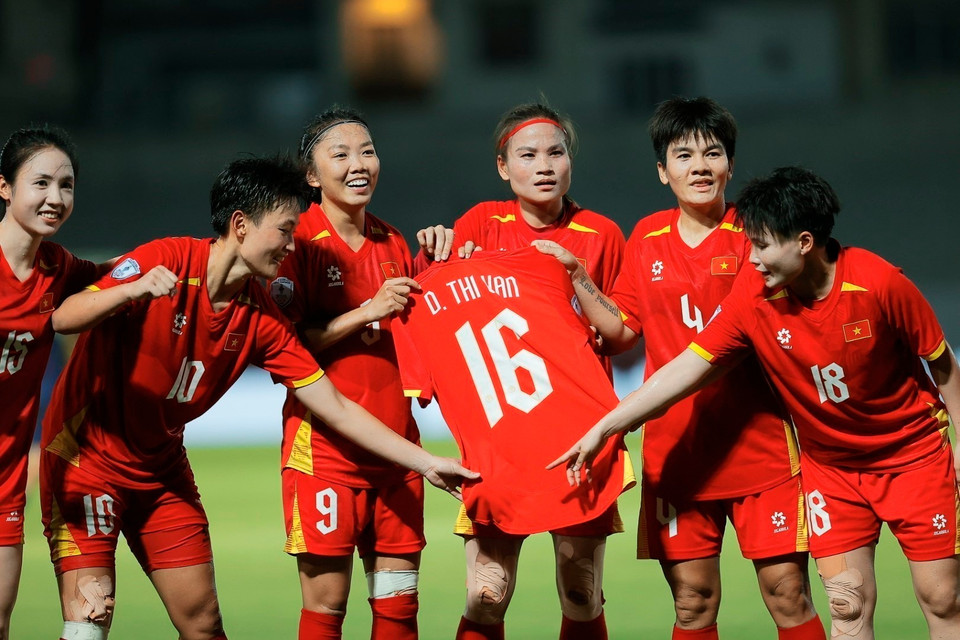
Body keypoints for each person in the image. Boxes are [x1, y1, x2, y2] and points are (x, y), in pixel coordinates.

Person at [39, 155, 476, 640]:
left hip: (161, 471)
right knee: (89, 621)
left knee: (204, 624)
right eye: (286, 230)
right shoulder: (166, 260)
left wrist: (425, 463)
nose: (292, 246)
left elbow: (333, 404)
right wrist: (131, 291)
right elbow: (63, 317)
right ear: (241, 225)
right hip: (86, 462)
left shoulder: (262, 318)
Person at [548, 166, 960, 640]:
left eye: (762, 245)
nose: (754, 258)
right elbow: (687, 368)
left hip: (912, 458)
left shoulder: (880, 283)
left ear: (804, 242)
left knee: (941, 600)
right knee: (847, 607)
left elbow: (944, 367)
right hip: (832, 469)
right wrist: (608, 426)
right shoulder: (753, 298)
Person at [536, 98, 824, 639]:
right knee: (693, 603)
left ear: (730, 166)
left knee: (787, 593)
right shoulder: (645, 237)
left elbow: (728, 345)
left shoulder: (756, 235)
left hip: (758, 443)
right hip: (677, 449)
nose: (699, 166)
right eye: (683, 154)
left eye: (712, 153)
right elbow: (622, 331)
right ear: (662, 171)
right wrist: (578, 276)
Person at [417, 102, 628, 640]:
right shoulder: (480, 224)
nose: (544, 165)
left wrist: (575, 274)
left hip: (579, 435)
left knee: (580, 590)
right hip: (501, 437)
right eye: (527, 154)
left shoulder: (601, 233)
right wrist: (435, 255)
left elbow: (624, 333)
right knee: (486, 592)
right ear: (502, 167)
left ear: (570, 163)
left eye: (555, 152)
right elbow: (435, 302)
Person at [268, 107, 426, 640]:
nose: (359, 164)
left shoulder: (395, 242)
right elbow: (285, 346)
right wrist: (365, 312)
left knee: (399, 607)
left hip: (397, 453)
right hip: (326, 455)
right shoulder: (298, 242)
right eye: (340, 155)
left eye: (367, 151)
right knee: (326, 608)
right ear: (312, 176)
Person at [0, 126, 102, 640]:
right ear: (4, 187)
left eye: (66, 185)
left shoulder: (57, 269)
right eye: (40, 183)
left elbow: (114, 278)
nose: (55, 198)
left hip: (4, 480)